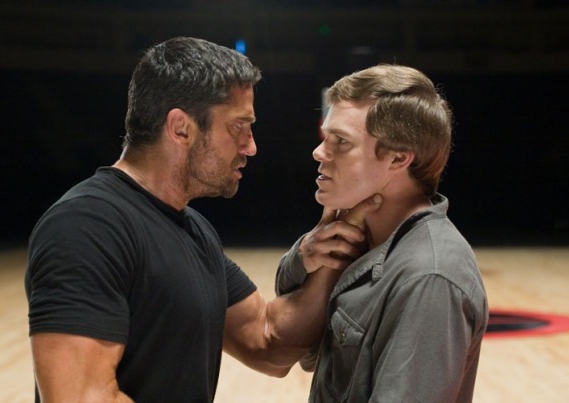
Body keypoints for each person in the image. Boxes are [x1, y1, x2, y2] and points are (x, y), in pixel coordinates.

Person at [24, 36, 383, 402]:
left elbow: (268, 341)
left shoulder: (193, 230)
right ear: (181, 128)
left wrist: (335, 248)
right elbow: (81, 396)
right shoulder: (86, 227)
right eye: (239, 126)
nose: (251, 146)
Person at [275, 64, 489, 402]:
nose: (319, 152)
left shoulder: (429, 277)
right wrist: (305, 256)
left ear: (398, 159)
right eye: (325, 137)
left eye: (341, 141)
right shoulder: (359, 240)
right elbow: (300, 349)